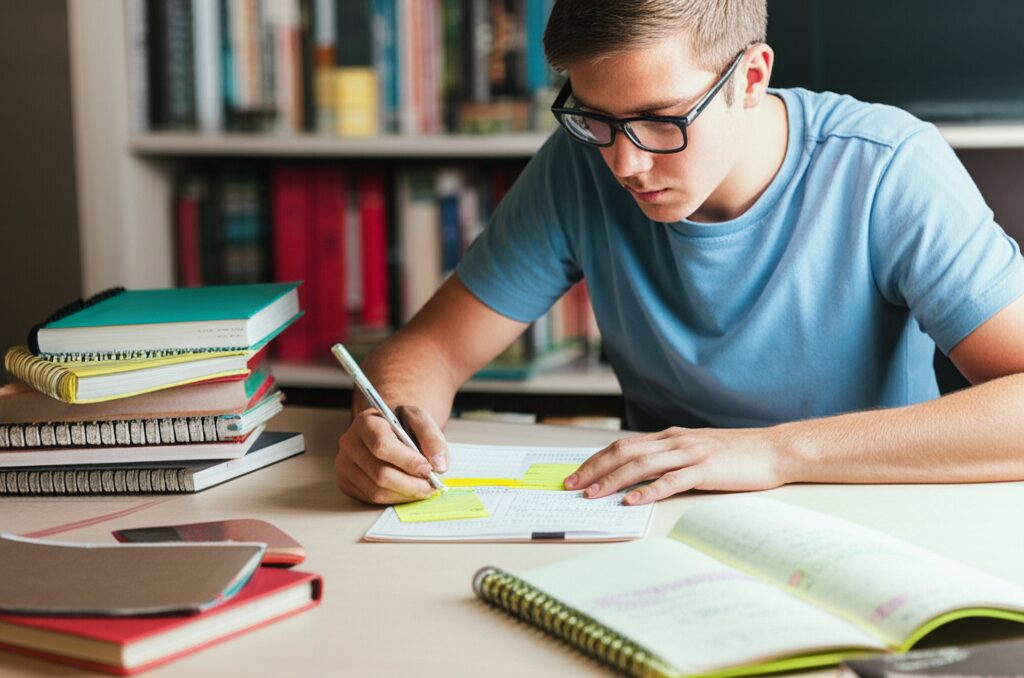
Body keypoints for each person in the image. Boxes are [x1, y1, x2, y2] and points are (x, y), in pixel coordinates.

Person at [335, 0, 1024, 506]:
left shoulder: (886, 167)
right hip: (652, 521)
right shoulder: (579, 165)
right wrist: (388, 423)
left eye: (662, 120)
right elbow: (430, 350)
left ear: (751, 79)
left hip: (872, 511)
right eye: (596, 118)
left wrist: (774, 451)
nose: (624, 162)